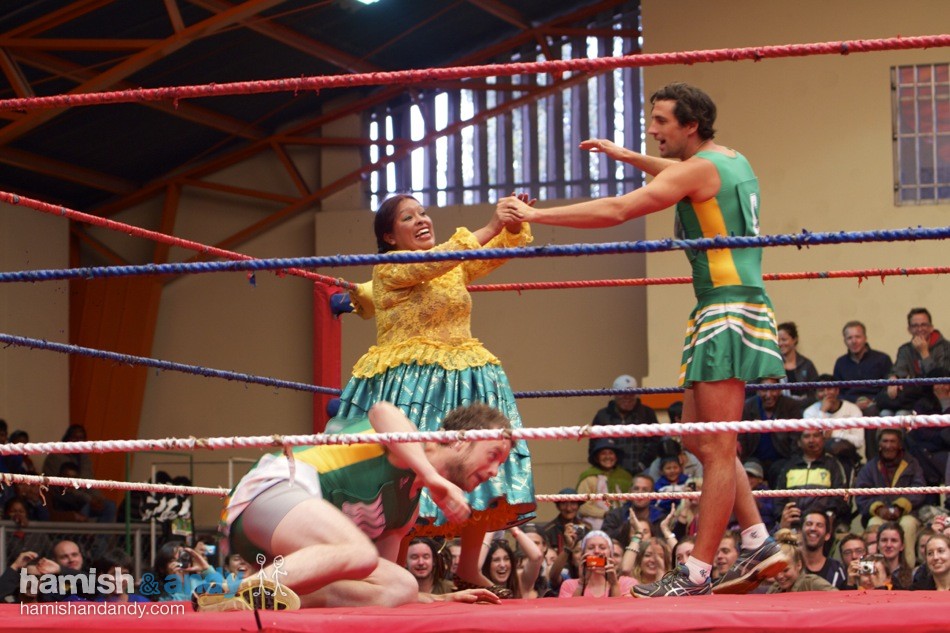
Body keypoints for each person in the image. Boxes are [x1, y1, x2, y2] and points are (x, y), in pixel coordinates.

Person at [499, 82, 787, 598]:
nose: (652, 129)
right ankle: (758, 540)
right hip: (725, 304)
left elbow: (617, 210)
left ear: (690, 125)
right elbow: (682, 174)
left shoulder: (695, 170)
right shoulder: (728, 159)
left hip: (726, 307)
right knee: (699, 438)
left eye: (661, 121)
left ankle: (696, 572)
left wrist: (537, 216)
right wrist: (627, 156)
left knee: (718, 446)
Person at [335, 194, 535, 592]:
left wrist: (511, 226)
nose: (422, 220)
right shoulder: (389, 267)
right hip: (411, 382)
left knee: (481, 461)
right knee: (404, 472)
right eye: (408, 218)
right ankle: (389, 572)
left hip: (465, 375)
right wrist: (490, 225)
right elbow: (438, 260)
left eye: (423, 213)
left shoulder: (450, 264)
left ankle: (468, 566)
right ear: (389, 237)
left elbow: (486, 256)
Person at [199, 402, 510, 611]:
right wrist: (431, 476)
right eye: (493, 455)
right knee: (360, 551)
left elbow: (376, 581)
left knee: (401, 584)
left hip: (285, 554)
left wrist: (439, 599)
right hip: (268, 498)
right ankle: (239, 590)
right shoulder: (409, 441)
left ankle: (262, 597)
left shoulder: (407, 511)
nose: (495, 471)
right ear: (459, 440)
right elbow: (381, 410)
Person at [854, 429, 926, 566]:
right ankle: (875, 570)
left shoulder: (912, 464)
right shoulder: (870, 467)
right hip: (879, 515)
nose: (888, 445)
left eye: (893, 441)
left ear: (900, 444)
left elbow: (920, 490)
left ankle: (907, 571)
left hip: (908, 514)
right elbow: (861, 497)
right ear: (879, 444)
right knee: (873, 524)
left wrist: (900, 506)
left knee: (907, 524)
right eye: (885, 441)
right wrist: (879, 509)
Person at [878, 308, 950, 415]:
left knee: (901, 414)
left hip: (937, 399)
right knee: (885, 413)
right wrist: (893, 379)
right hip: (913, 397)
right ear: (909, 329)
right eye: (915, 326)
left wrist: (924, 353)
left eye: (923, 325)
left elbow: (939, 380)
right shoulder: (905, 349)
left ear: (931, 327)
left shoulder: (945, 347)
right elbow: (898, 371)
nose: (920, 329)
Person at [774, 430, 851, 530]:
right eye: (806, 436)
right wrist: (782, 516)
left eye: (816, 435)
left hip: (822, 524)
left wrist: (830, 514)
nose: (811, 440)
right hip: (793, 525)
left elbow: (843, 495)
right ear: (799, 442)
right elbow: (778, 498)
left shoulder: (833, 464)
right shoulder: (790, 466)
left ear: (823, 439)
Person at [588, 375, 661, 474]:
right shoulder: (602, 416)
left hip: (643, 472)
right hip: (610, 472)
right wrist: (605, 466)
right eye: (622, 394)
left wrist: (642, 464)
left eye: (631, 394)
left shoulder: (646, 413)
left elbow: (655, 442)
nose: (627, 397)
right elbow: (595, 446)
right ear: (615, 394)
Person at [802, 374, 866, 470]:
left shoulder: (853, 409)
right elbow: (815, 441)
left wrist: (834, 433)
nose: (826, 393)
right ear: (816, 395)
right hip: (820, 460)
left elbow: (858, 441)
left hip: (850, 458)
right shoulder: (809, 412)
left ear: (837, 390)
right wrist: (822, 412)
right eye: (821, 390)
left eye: (829, 389)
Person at [832, 321, 892, 417]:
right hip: (848, 406)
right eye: (849, 338)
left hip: (876, 404)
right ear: (845, 341)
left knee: (872, 411)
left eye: (858, 337)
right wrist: (853, 403)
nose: (854, 341)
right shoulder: (840, 362)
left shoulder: (882, 359)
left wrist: (872, 400)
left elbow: (888, 389)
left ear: (865, 338)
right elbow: (838, 391)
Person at [576, 438, 633, 530]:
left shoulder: (625, 477)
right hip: (595, 526)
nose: (607, 457)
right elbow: (582, 506)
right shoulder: (589, 478)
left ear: (616, 457)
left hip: (623, 522)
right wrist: (606, 514)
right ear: (597, 457)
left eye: (611, 453)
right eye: (603, 453)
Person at [558, 530, 635, 598]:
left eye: (602, 547)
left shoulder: (627, 583)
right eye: (591, 548)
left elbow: (620, 609)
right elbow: (570, 609)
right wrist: (581, 583)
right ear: (583, 554)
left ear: (611, 554)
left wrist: (614, 584)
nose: (597, 551)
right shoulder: (569, 585)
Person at [767, 530, 837, 594]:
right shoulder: (774, 589)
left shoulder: (812, 583)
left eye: (785, 570)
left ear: (799, 565)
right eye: (776, 571)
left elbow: (838, 597)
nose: (780, 576)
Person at [799, 511, 847, 589]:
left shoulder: (837, 570)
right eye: (809, 524)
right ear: (800, 532)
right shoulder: (789, 566)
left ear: (827, 536)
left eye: (819, 525)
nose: (813, 528)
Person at [777, 322, 820, 404]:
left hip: (804, 409)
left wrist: (801, 402)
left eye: (784, 340)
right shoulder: (772, 365)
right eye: (777, 340)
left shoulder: (807, 365)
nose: (780, 343)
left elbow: (815, 392)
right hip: (781, 410)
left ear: (795, 340)